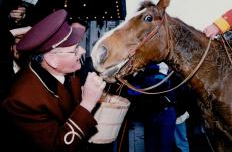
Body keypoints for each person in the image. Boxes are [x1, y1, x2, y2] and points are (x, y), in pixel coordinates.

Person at [1, 9, 106, 152]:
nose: (82, 51)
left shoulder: (68, 74)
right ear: (52, 60)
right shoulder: (21, 100)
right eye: (75, 50)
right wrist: (87, 103)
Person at [127, 62, 177, 152]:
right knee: (151, 146)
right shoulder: (147, 69)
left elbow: (160, 85)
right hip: (151, 113)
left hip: (166, 113)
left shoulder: (167, 67)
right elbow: (132, 91)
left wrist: (139, 76)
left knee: (165, 147)